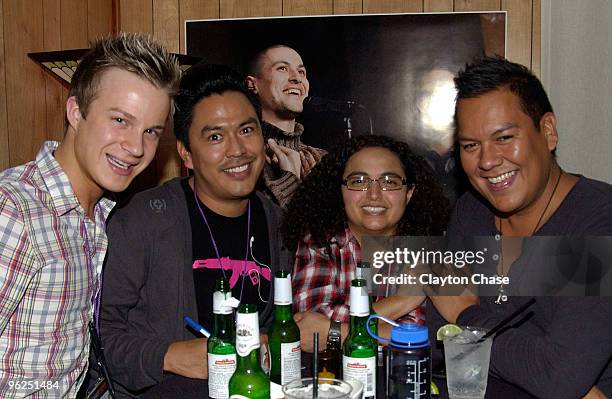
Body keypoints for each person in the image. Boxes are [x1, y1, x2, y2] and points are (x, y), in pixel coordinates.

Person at [0, 33, 179, 397]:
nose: (135, 148)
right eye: (119, 120)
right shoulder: (15, 210)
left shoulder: (97, 216)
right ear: (76, 112)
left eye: (150, 131)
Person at [98, 63, 291, 397]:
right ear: (185, 154)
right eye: (215, 136)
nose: (237, 150)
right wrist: (170, 356)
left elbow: (279, 323)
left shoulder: (278, 222)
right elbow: (99, 336)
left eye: (247, 130)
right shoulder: (143, 220)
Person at [428, 57, 612, 398]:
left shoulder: (597, 221)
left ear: (548, 131)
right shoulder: (472, 210)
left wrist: (465, 314)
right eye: (471, 146)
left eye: (504, 137)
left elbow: (558, 378)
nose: (486, 160)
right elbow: (438, 329)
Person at [283, 135, 449, 351]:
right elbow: (308, 326)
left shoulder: (428, 251)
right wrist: (403, 300)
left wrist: (335, 332)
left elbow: (419, 338)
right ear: (340, 191)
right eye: (358, 181)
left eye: (389, 182)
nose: (373, 194)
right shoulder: (320, 242)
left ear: (409, 193)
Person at [246, 44, 325, 208]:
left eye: (301, 72)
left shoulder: (323, 159)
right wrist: (291, 184)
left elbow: (341, 232)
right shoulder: (244, 161)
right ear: (252, 85)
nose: (296, 78)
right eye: (282, 68)